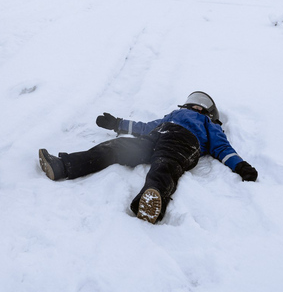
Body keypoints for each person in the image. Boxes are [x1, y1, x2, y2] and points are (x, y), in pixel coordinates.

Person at [38, 91, 258, 224]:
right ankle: (62, 166)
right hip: (156, 136)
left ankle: (151, 202)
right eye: (193, 101)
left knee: (165, 166)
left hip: (183, 143)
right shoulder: (173, 114)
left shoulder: (209, 124)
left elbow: (222, 148)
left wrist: (241, 166)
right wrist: (117, 123)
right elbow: (145, 127)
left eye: (201, 104)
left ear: (210, 112)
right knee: (115, 147)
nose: (196, 104)